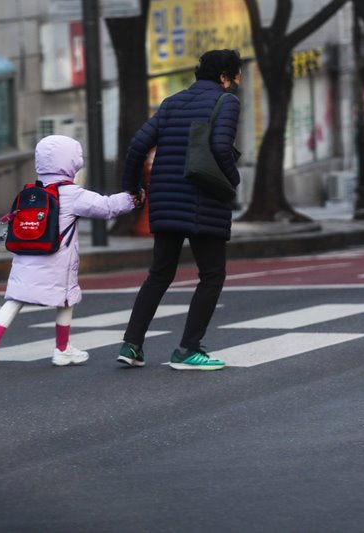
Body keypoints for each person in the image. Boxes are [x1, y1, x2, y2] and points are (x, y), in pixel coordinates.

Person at [118, 49, 242, 371]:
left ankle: (131, 345)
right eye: (236, 75)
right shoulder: (226, 101)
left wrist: (134, 189)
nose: (237, 81)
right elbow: (219, 147)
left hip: (165, 199)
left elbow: (136, 146)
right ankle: (188, 349)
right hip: (204, 199)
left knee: (160, 274)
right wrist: (233, 180)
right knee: (212, 275)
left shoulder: (172, 102)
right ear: (225, 77)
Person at [0, 135, 143, 368]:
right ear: (72, 162)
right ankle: (62, 349)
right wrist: (132, 199)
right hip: (56, 260)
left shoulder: (31, 192)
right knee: (65, 300)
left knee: (15, 299)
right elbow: (106, 207)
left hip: (25, 257)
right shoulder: (72, 193)